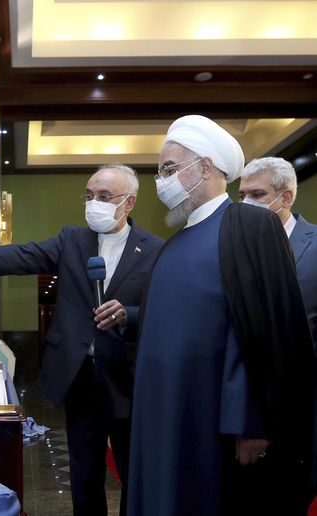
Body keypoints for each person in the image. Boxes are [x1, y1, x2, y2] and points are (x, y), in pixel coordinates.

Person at [0, 165, 163, 516]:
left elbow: (163, 307)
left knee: (132, 470)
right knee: (84, 471)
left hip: (128, 377)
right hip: (80, 377)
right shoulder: (72, 240)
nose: (94, 203)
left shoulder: (154, 250)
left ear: (129, 202)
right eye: (89, 196)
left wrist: (129, 313)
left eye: (105, 197)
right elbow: (23, 255)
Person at [127, 115, 315, 516]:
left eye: (169, 169)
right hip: (161, 417)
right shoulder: (171, 246)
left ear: (207, 168)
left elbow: (267, 331)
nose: (161, 181)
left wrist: (252, 424)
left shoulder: (248, 225)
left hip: (212, 424)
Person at [239, 156, 317, 489]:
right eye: (241, 194)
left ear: (285, 197)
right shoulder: (233, 247)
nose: (244, 203)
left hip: (306, 408)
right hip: (248, 405)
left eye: (256, 195)